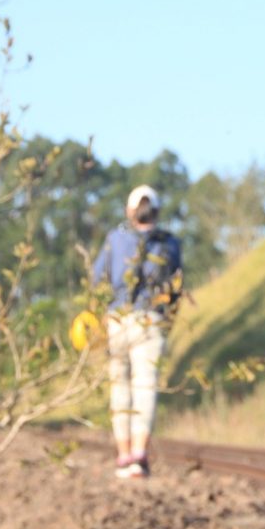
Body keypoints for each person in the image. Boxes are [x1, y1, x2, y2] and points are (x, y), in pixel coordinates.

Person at [92, 184, 184, 479]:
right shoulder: (169, 243)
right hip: (151, 320)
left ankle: (123, 454)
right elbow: (176, 287)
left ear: (130, 211)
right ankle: (139, 456)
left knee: (119, 385)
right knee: (145, 386)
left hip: (117, 319)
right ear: (156, 211)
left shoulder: (115, 240)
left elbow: (97, 280)